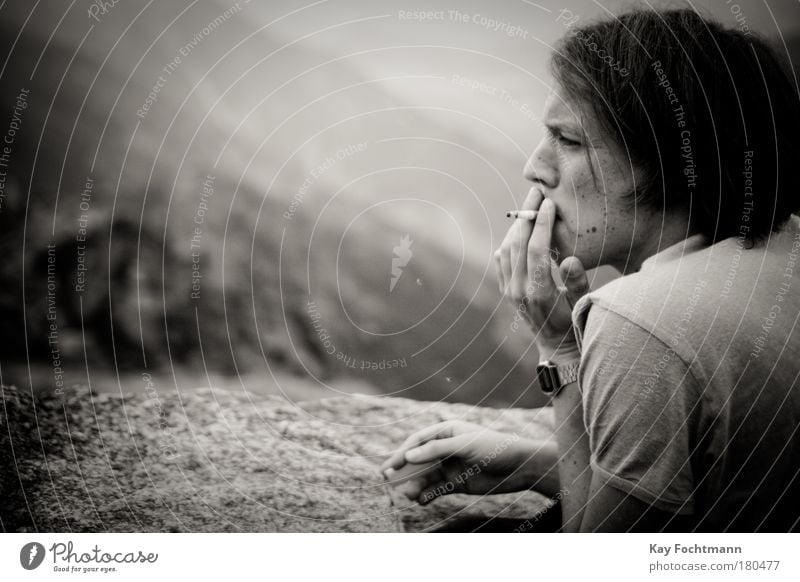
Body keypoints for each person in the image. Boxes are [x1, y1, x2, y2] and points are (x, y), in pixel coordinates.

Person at [381, 8, 800, 532]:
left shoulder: (642, 324)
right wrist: (541, 466)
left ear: (671, 165)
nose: (534, 167)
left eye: (570, 141)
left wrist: (559, 350)